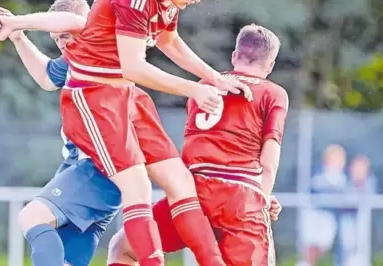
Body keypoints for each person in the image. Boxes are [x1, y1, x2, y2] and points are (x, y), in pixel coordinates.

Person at [0, 0, 254, 265]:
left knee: (177, 182)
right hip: (96, 98)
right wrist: (193, 90)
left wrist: (212, 78)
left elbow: (167, 43)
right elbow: (130, 67)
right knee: (134, 191)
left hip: (122, 100)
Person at [107, 24, 288, 266]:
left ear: (235, 56)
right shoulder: (273, 93)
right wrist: (262, 199)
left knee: (124, 247)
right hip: (239, 201)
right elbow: (268, 162)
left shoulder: (204, 85)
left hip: (192, 193)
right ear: (271, 65)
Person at [0, 0, 122, 266]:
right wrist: (19, 37)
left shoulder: (96, 43)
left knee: (31, 217)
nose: (62, 43)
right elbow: (48, 77)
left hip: (96, 167)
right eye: (57, 40)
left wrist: (15, 21)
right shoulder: (76, 58)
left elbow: (74, 22)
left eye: (65, 36)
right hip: (86, 168)